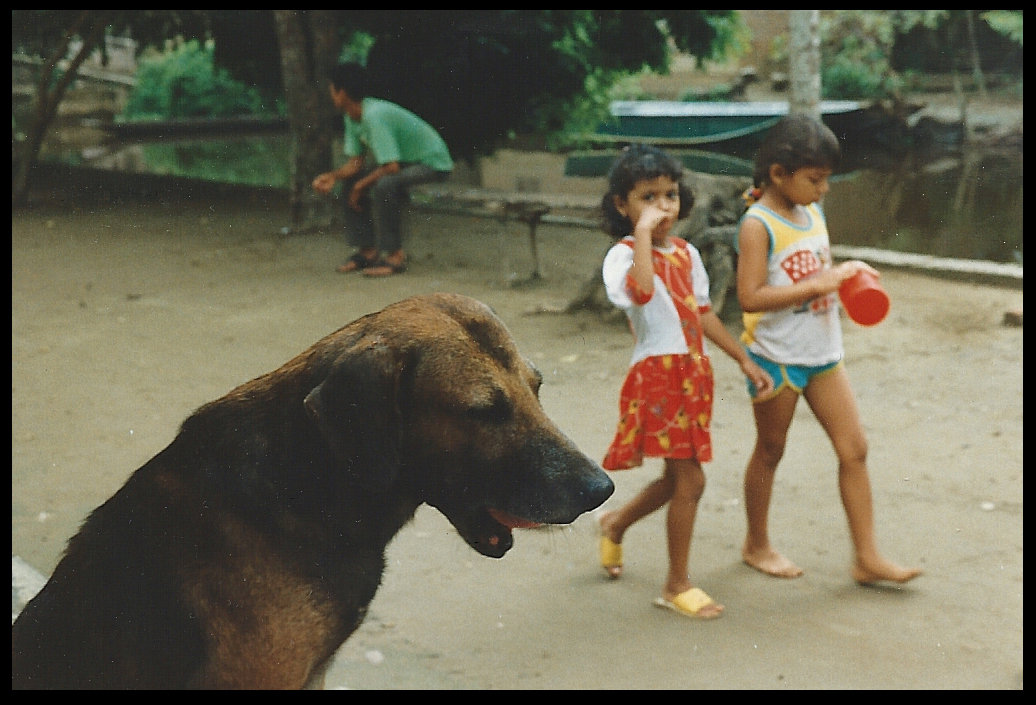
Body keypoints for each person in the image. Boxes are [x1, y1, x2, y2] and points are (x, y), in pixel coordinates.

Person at [735, 112, 922, 585]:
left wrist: (849, 281)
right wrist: (825, 281)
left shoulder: (812, 211)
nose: (824, 189)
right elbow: (750, 296)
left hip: (822, 354)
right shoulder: (758, 225)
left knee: (854, 449)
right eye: (815, 179)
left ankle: (867, 557)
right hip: (776, 358)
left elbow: (818, 273)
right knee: (772, 449)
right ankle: (756, 544)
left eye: (827, 180)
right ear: (778, 174)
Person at [596, 144, 773, 620]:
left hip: (693, 376)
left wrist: (744, 359)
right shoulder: (623, 255)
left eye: (669, 195)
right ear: (622, 204)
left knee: (677, 478)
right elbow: (643, 291)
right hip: (658, 377)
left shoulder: (688, 253)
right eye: (647, 197)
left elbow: (703, 314)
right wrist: (642, 235)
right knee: (691, 478)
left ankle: (615, 524)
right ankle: (676, 584)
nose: (662, 207)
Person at [312, 63, 453, 277]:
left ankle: (395, 255)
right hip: (405, 162)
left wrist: (361, 186)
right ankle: (367, 250)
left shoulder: (374, 116)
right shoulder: (352, 116)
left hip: (432, 163)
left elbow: (391, 167)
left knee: (385, 184)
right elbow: (355, 164)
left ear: (341, 92)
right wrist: (332, 177)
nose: (330, 94)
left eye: (332, 89)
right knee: (354, 181)